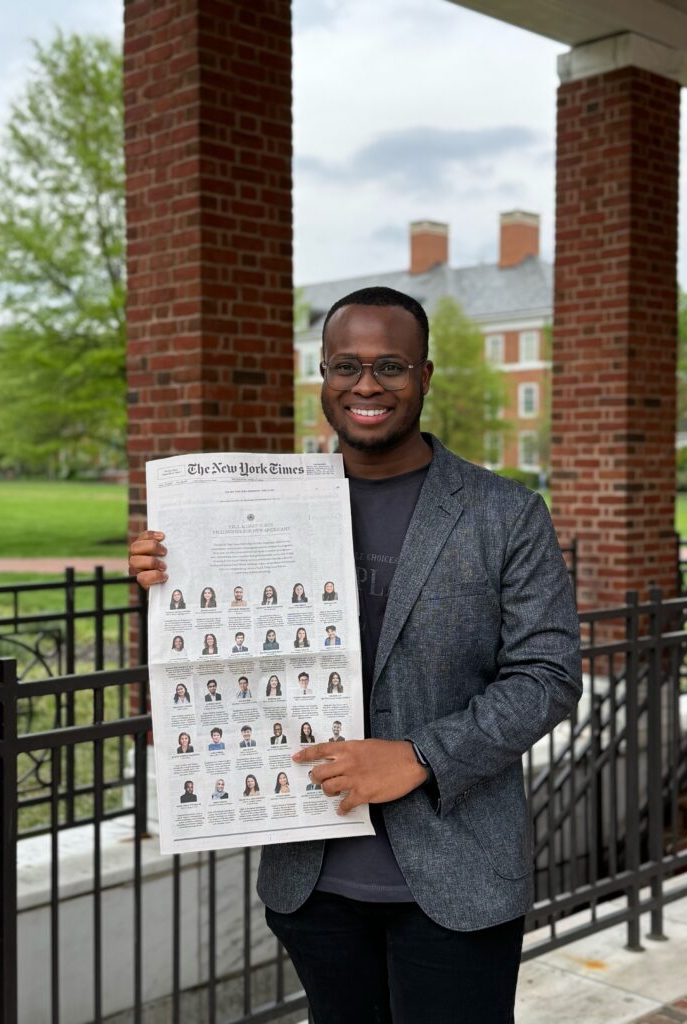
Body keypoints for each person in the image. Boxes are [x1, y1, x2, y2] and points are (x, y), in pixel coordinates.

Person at [128, 285, 581, 1024]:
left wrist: (419, 756)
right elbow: (220, 658)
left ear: (425, 377)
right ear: (324, 378)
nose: (366, 385)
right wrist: (161, 588)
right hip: (313, 882)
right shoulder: (261, 510)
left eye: (391, 366)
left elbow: (549, 677)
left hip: (456, 881)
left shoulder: (504, 513)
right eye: (346, 365)